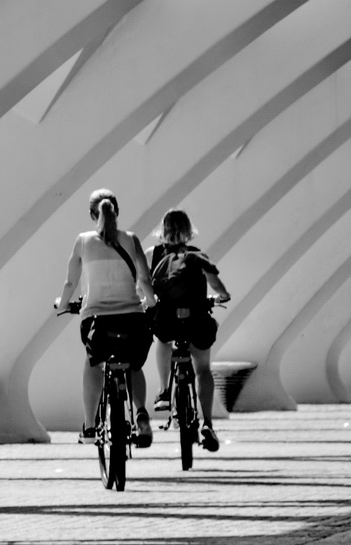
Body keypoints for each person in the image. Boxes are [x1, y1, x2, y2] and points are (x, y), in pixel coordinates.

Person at [56, 189, 156, 447]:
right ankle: (142, 414)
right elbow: (145, 279)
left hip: (97, 319)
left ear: (92, 214)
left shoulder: (83, 241)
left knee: (93, 362)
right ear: (117, 212)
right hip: (132, 317)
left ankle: (90, 426)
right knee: (134, 364)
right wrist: (151, 303)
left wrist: (63, 304)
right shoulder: (131, 239)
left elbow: (70, 281)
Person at [148, 208, 231, 452]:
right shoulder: (197, 254)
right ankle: (207, 423)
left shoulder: (152, 254)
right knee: (203, 369)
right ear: (188, 231)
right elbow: (215, 282)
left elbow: (142, 282)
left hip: (167, 318)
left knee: (162, 340)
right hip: (196, 318)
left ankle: (164, 391)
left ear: (162, 231)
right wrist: (222, 296)